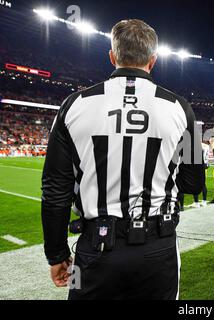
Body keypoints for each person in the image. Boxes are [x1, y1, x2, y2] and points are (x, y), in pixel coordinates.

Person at [41, 19, 204, 299]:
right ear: (153, 60)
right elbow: (192, 183)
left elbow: (56, 189)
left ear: (112, 57)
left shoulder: (74, 104)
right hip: (159, 247)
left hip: (94, 250)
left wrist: (56, 254)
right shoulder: (180, 109)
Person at [193, 141, 210, 207]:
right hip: (204, 165)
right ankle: (204, 201)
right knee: (203, 183)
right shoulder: (206, 146)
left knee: (195, 183)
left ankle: (196, 202)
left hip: (198, 165)